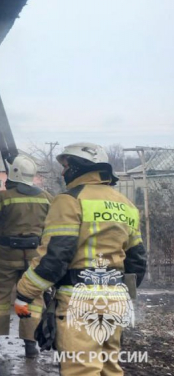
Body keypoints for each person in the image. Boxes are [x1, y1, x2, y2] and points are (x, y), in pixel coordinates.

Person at [15, 142, 147, 375]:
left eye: (65, 166)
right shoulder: (125, 205)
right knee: (109, 367)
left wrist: (24, 293)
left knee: (81, 368)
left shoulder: (69, 200)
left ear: (77, 167)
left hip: (79, 300)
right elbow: (137, 262)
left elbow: (54, 258)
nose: (64, 172)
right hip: (116, 298)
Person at [0, 154, 54, 358]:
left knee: (0, 297)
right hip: (35, 257)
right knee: (32, 297)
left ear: (13, 174)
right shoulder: (46, 198)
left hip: (6, 256)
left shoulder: (2, 197)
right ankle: (30, 344)